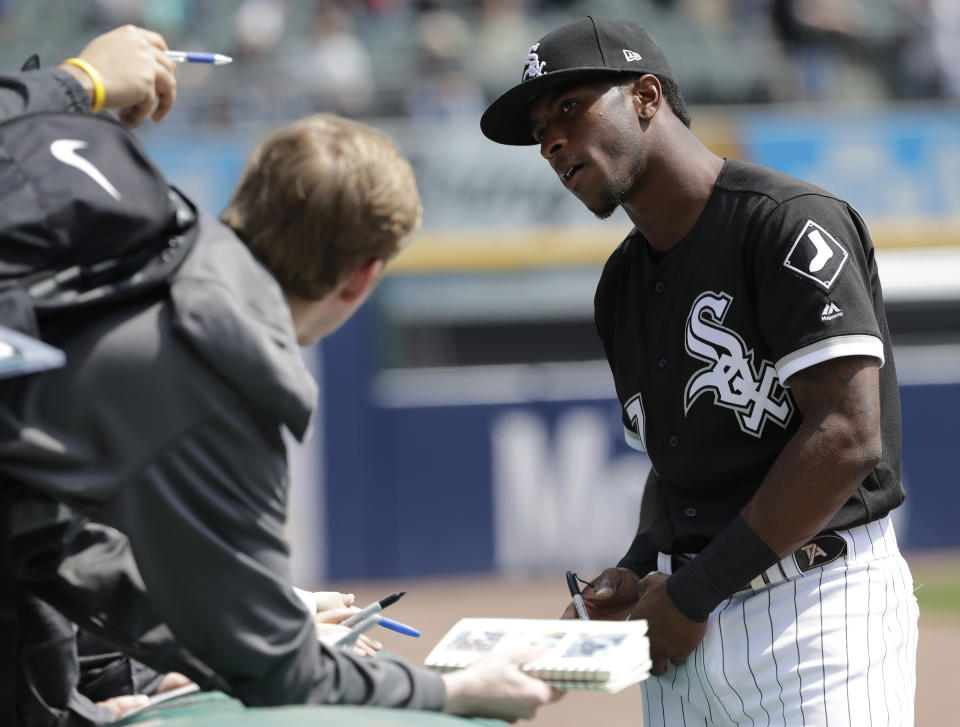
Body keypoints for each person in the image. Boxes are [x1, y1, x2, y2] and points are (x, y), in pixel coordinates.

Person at [0, 24, 558, 725]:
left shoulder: (111, 235)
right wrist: (454, 690)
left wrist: (79, 80)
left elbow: (51, 533)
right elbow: (279, 674)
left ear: (245, 198)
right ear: (362, 279)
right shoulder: (224, 380)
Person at [480, 16, 918, 726]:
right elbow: (677, 464)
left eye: (569, 106)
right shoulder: (620, 286)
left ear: (647, 96)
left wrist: (691, 594)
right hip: (685, 628)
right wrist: (636, 564)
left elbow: (846, 435)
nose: (552, 140)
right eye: (538, 130)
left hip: (817, 612)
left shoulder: (786, 222)